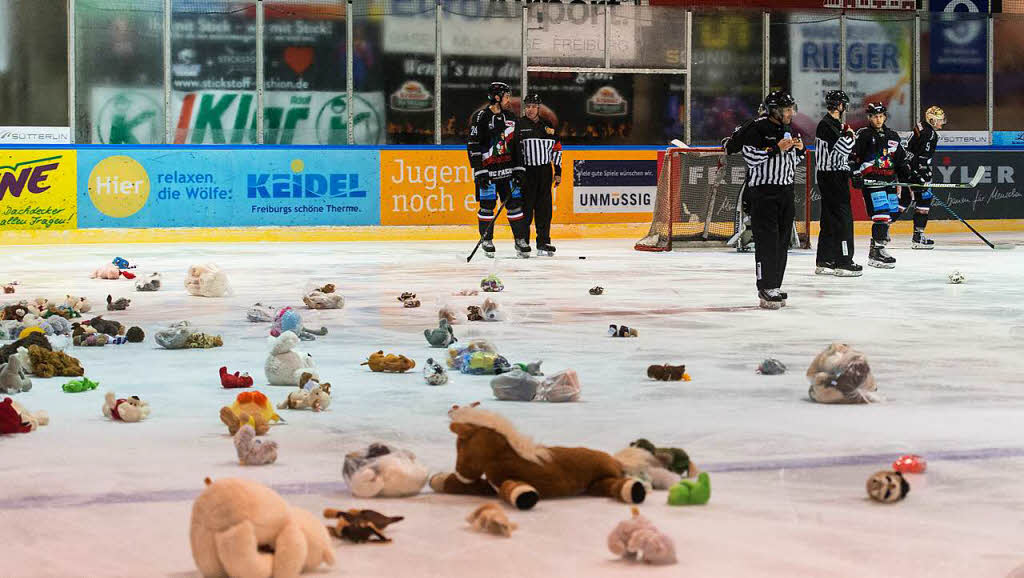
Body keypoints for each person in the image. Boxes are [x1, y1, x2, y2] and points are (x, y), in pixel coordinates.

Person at [740, 90, 805, 310]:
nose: (791, 113)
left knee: (781, 243)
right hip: (764, 193)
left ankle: (775, 285)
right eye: (787, 109)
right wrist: (775, 149)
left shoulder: (788, 129)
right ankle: (765, 286)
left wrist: (800, 150)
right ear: (775, 111)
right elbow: (750, 157)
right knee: (767, 243)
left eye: (791, 109)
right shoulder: (757, 128)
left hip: (785, 192)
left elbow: (793, 162)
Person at [466, 81, 530, 258]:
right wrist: (479, 170)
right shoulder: (480, 117)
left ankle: (520, 240)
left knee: (515, 205)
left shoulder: (510, 117)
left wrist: (519, 169)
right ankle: (487, 239)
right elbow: (473, 145)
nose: (509, 99)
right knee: (487, 206)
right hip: (488, 171)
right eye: (507, 96)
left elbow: (517, 144)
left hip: (508, 171)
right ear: (497, 97)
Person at [849, 102, 912, 269]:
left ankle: (878, 244)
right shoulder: (863, 135)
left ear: (885, 117)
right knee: (881, 214)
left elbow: (900, 160)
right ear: (869, 117)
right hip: (873, 182)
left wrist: (911, 176)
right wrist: (855, 173)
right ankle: (877, 251)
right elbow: (853, 157)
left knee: (891, 213)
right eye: (875, 116)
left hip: (890, 182)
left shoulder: (892, 136)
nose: (878, 119)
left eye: (881, 116)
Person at [813, 90, 862, 276]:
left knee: (829, 218)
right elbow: (841, 150)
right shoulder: (828, 125)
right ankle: (844, 261)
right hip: (833, 177)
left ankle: (825, 260)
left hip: (828, 176)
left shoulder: (829, 124)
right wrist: (850, 135)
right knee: (843, 219)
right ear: (840, 106)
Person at [516, 92, 562, 256]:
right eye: (528, 106)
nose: (530, 110)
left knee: (544, 209)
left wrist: (558, 171)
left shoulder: (547, 125)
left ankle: (543, 242)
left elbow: (556, 149)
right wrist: (517, 171)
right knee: (526, 210)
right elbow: (514, 151)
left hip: (544, 172)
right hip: (527, 173)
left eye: (533, 107)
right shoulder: (519, 124)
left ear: (538, 108)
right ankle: (523, 243)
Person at [899, 106, 945, 249]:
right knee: (923, 201)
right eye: (940, 120)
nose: (942, 123)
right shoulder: (930, 134)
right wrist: (921, 175)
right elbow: (921, 158)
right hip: (915, 171)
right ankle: (918, 237)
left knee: (904, 201)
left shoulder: (920, 126)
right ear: (932, 120)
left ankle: (882, 231)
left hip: (906, 169)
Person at [722, 104, 767, 253]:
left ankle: (754, 237)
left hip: (758, 179)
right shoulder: (787, 127)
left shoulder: (752, 125)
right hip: (783, 181)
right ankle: (782, 239)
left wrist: (727, 144)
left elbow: (732, 146)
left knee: (750, 203)